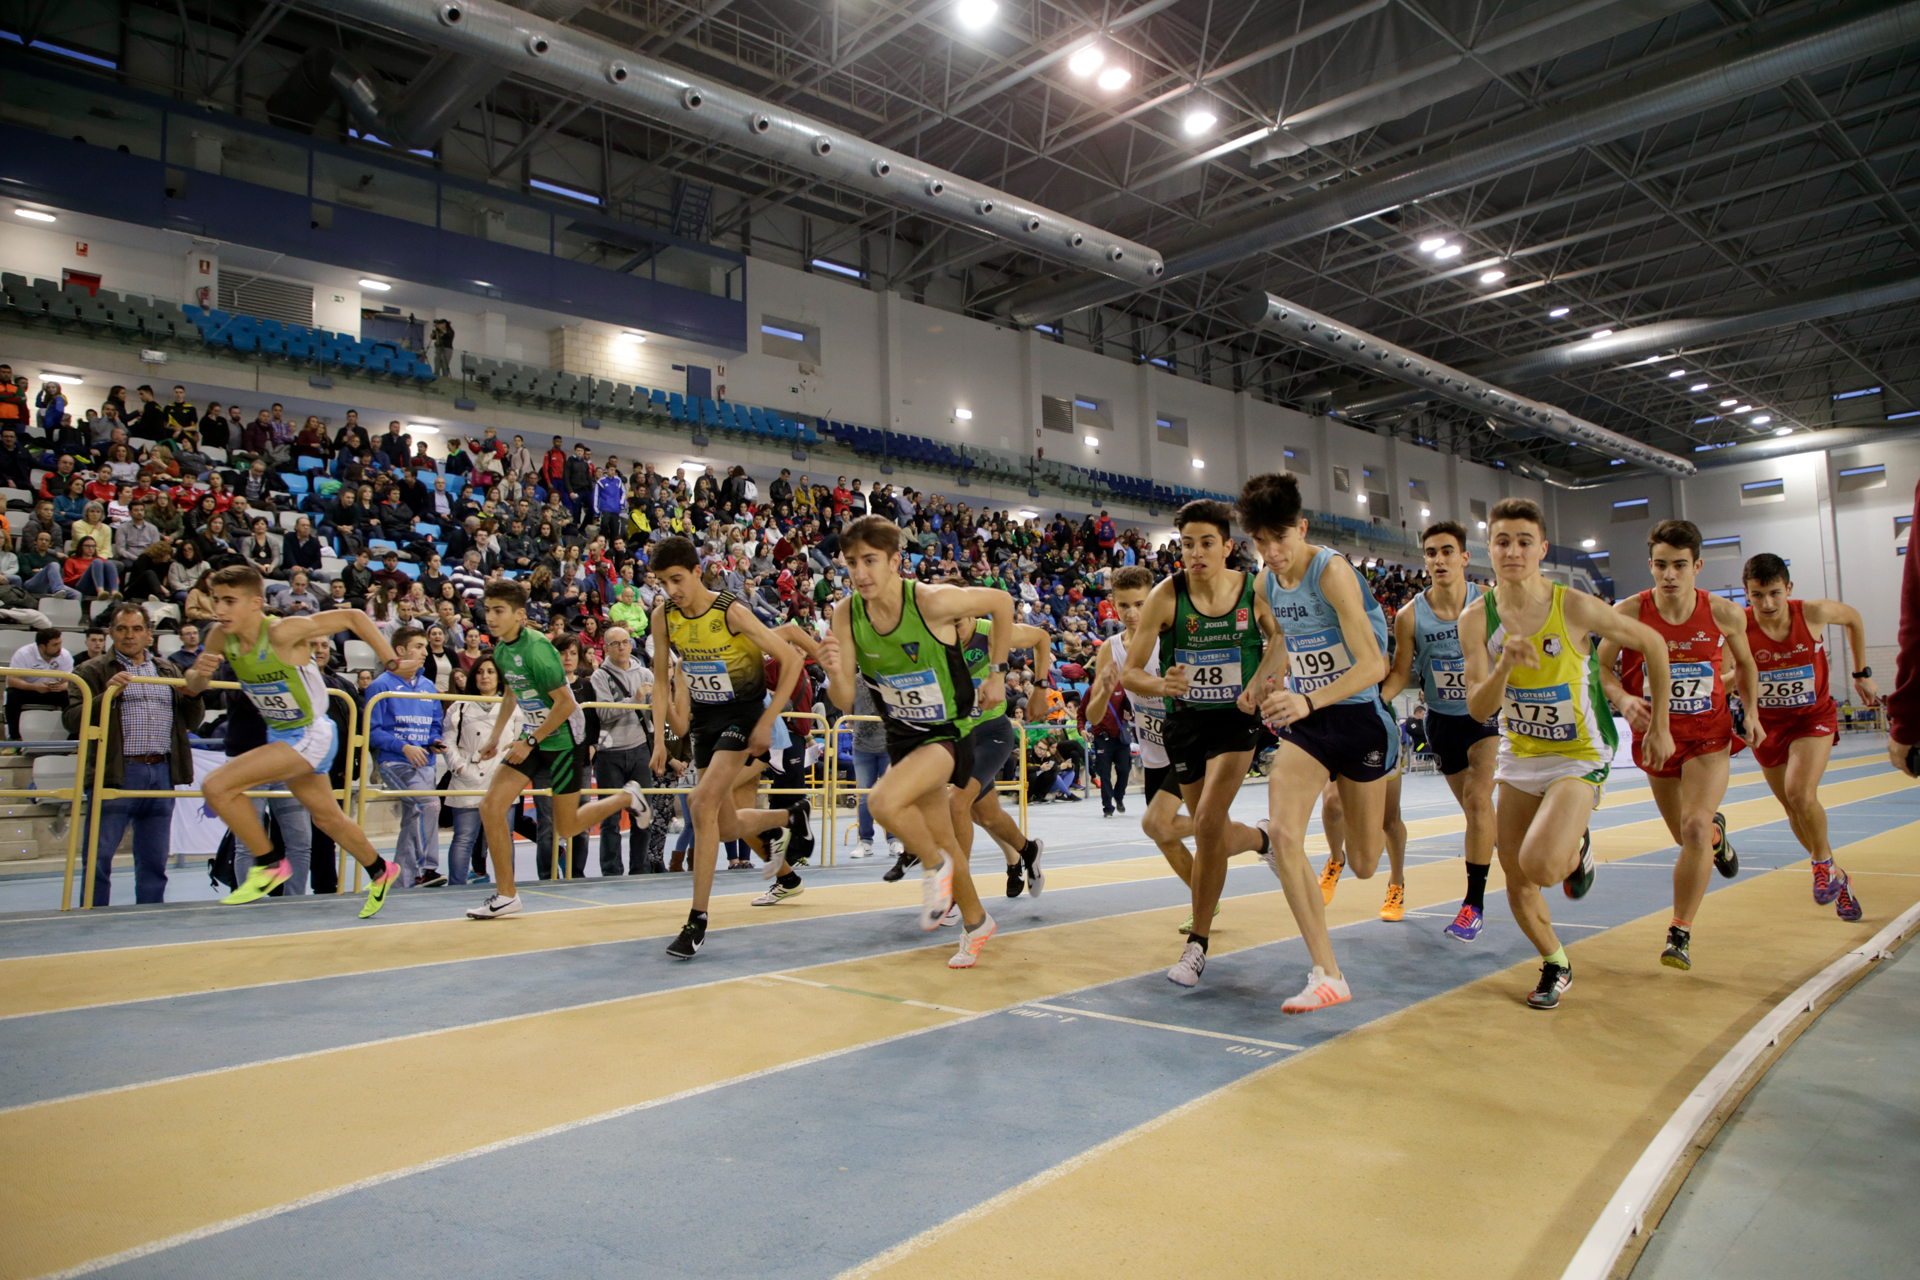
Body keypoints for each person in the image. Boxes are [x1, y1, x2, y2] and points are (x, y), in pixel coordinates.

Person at [1461, 498, 1673, 1010]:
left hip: (1579, 752)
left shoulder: (1573, 605)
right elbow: (1477, 707)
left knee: (1542, 864)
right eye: (1503, 541)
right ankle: (1556, 962)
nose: (1513, 551)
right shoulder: (1476, 618)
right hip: (1520, 754)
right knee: (1515, 877)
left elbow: (1654, 644)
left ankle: (1576, 844)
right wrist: (1505, 667)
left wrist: (1659, 724)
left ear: (1542, 549)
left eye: (1523, 541)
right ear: (1488, 548)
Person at [1236, 474, 1401, 1011]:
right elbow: (1285, 638)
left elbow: (1375, 664)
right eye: (1261, 542)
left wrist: (1309, 699)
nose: (1272, 552)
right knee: (1284, 835)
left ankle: (1342, 807)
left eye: (1280, 538)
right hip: (1309, 729)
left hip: (1359, 721)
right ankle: (1327, 973)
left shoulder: (1332, 574)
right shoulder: (1265, 582)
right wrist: (1260, 683)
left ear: (1302, 528)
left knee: (1366, 863)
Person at [819, 515, 1012, 969]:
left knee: (883, 802)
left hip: (950, 734)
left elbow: (1002, 601)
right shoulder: (846, 613)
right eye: (851, 563)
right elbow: (845, 698)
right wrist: (831, 672)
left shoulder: (932, 602)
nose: (860, 573)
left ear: (895, 561)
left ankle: (932, 866)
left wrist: (999, 674)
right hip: (902, 737)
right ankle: (976, 921)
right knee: (944, 840)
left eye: (870, 561)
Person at [181, 565, 414, 917]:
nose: (220, 609)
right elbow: (194, 688)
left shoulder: (281, 632)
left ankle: (269, 861)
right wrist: (198, 674)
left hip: (310, 733)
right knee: (327, 818)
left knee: (217, 786)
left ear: (256, 602)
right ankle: (381, 870)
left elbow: (353, 615)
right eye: (215, 600)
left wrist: (391, 661)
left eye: (229, 601)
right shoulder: (218, 637)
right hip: (281, 733)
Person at [1118, 500, 1278, 994]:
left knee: (1207, 821)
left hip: (1237, 721)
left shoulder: (1254, 589)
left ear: (1228, 547)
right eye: (1187, 544)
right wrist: (1160, 686)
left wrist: (1260, 682)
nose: (1196, 552)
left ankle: (1198, 944)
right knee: (1209, 836)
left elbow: (1282, 642)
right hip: (1185, 725)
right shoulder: (1168, 595)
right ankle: (1262, 839)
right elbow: (1131, 671)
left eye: (1207, 543)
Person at [1596, 520, 1764, 971]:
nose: (1670, 575)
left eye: (1680, 566)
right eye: (1661, 565)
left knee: (1691, 828)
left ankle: (1680, 932)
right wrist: (1624, 698)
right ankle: (1716, 836)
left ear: (1698, 566)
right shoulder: (1629, 611)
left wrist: (1750, 712)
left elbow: (1746, 664)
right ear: (1650, 565)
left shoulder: (1725, 613)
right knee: (1687, 836)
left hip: (1709, 735)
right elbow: (1601, 668)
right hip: (1656, 737)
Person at [645, 537, 810, 954]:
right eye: (664, 582)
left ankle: (696, 920)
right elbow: (663, 683)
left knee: (700, 804)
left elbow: (790, 660)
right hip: (705, 721)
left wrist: (767, 721)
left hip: (743, 714)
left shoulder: (731, 611)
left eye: (678, 580)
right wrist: (663, 740)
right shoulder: (663, 616)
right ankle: (790, 816)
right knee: (728, 826)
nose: (672, 590)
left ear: (699, 572)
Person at [463, 579, 652, 920]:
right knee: (491, 807)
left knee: (567, 827)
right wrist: (495, 737)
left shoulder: (536, 649)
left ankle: (626, 798)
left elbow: (565, 705)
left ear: (520, 615)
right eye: (487, 610)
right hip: (534, 735)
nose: (490, 617)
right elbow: (512, 692)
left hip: (564, 739)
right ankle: (507, 895)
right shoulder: (503, 649)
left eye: (498, 611)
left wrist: (530, 741)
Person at [1378, 521, 1500, 940]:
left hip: (1486, 716)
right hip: (1442, 721)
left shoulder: (1490, 603)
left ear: (1465, 557)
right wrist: (1375, 701)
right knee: (1477, 814)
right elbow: (1399, 673)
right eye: (1431, 553)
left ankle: (1473, 905)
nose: (1439, 560)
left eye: (1447, 551)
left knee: (1478, 800)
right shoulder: (1410, 616)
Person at [1741, 552, 1871, 921]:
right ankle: (1837, 876)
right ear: (1746, 595)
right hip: (1767, 726)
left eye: (1774, 593)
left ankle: (1821, 863)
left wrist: (1861, 673)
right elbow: (1735, 672)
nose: (1767, 603)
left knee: (1801, 792)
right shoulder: (1738, 625)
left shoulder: (1811, 613)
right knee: (1792, 808)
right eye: (1756, 595)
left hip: (1812, 717)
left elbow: (1854, 619)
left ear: (1789, 589)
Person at [63, 604, 202, 905]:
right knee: (99, 856)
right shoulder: (91, 670)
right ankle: (92, 914)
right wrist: (106, 696)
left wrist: (194, 696)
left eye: (137, 628)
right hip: (116, 771)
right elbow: (72, 720)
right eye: (122, 629)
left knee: (155, 858)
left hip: (162, 771)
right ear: (111, 633)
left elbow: (190, 722)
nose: (130, 635)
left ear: (149, 635)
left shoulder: (168, 669)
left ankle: (150, 914)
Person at [368, 625, 448, 888]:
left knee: (414, 815)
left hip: (425, 762)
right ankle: (427, 869)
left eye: (425, 646)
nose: (425, 652)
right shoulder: (381, 685)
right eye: (418, 647)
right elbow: (373, 732)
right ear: (400, 651)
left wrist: (433, 742)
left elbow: (435, 725)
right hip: (395, 762)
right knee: (429, 805)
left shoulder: (428, 686)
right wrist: (403, 747)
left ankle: (400, 880)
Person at [443, 655, 520, 886]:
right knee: (464, 838)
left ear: (499, 677)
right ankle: (456, 886)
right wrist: (459, 767)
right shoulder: (460, 706)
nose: (484, 676)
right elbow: (448, 741)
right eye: (479, 672)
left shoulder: (514, 706)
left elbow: (518, 741)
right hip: (467, 778)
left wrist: (508, 771)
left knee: (504, 838)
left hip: (502, 779)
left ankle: (507, 887)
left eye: (490, 672)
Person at [586, 626, 656, 875]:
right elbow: (603, 713)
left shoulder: (646, 673)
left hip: (640, 750)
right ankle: (611, 871)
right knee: (610, 819)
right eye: (615, 644)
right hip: (609, 753)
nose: (622, 647)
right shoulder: (600, 677)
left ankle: (640, 868)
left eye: (625, 642)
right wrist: (634, 700)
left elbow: (657, 712)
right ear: (605, 648)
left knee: (643, 815)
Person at [7, 628, 71, 742]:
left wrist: (61, 687)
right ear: (42, 647)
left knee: (72, 696)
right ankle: (15, 738)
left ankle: (72, 739)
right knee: (11, 695)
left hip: (53, 691)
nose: (59, 648)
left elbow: (68, 682)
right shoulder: (23, 653)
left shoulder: (64, 655)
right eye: (55, 645)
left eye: (60, 643)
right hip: (30, 689)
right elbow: (12, 680)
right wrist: (35, 687)